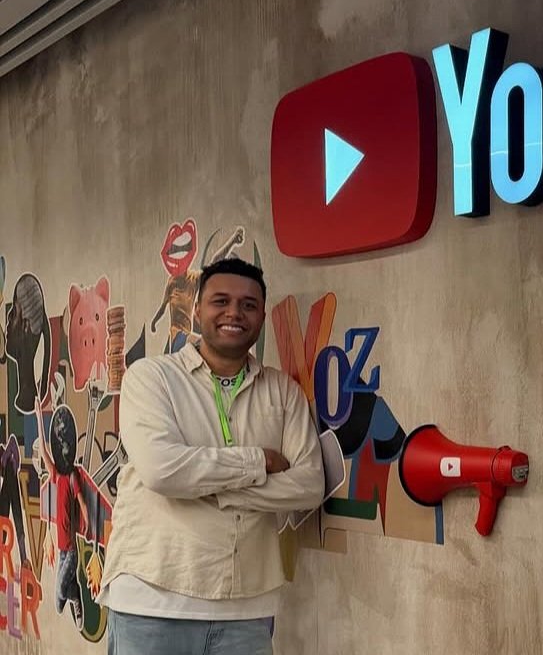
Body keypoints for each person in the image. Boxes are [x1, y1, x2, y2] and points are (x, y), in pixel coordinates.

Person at [98, 258, 325, 654]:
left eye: (249, 305)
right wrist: (258, 463)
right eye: (221, 301)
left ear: (261, 317)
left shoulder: (283, 392)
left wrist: (211, 489)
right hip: (152, 603)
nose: (234, 313)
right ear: (198, 309)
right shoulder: (152, 378)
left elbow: (308, 486)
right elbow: (162, 471)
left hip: (246, 611)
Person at [33, 399, 89, 630]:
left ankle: (74, 593)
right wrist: (39, 417)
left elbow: (82, 502)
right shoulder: (56, 475)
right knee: (58, 604)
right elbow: (43, 451)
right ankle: (73, 592)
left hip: (71, 550)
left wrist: (86, 523)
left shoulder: (72, 477)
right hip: (61, 550)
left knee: (59, 593)